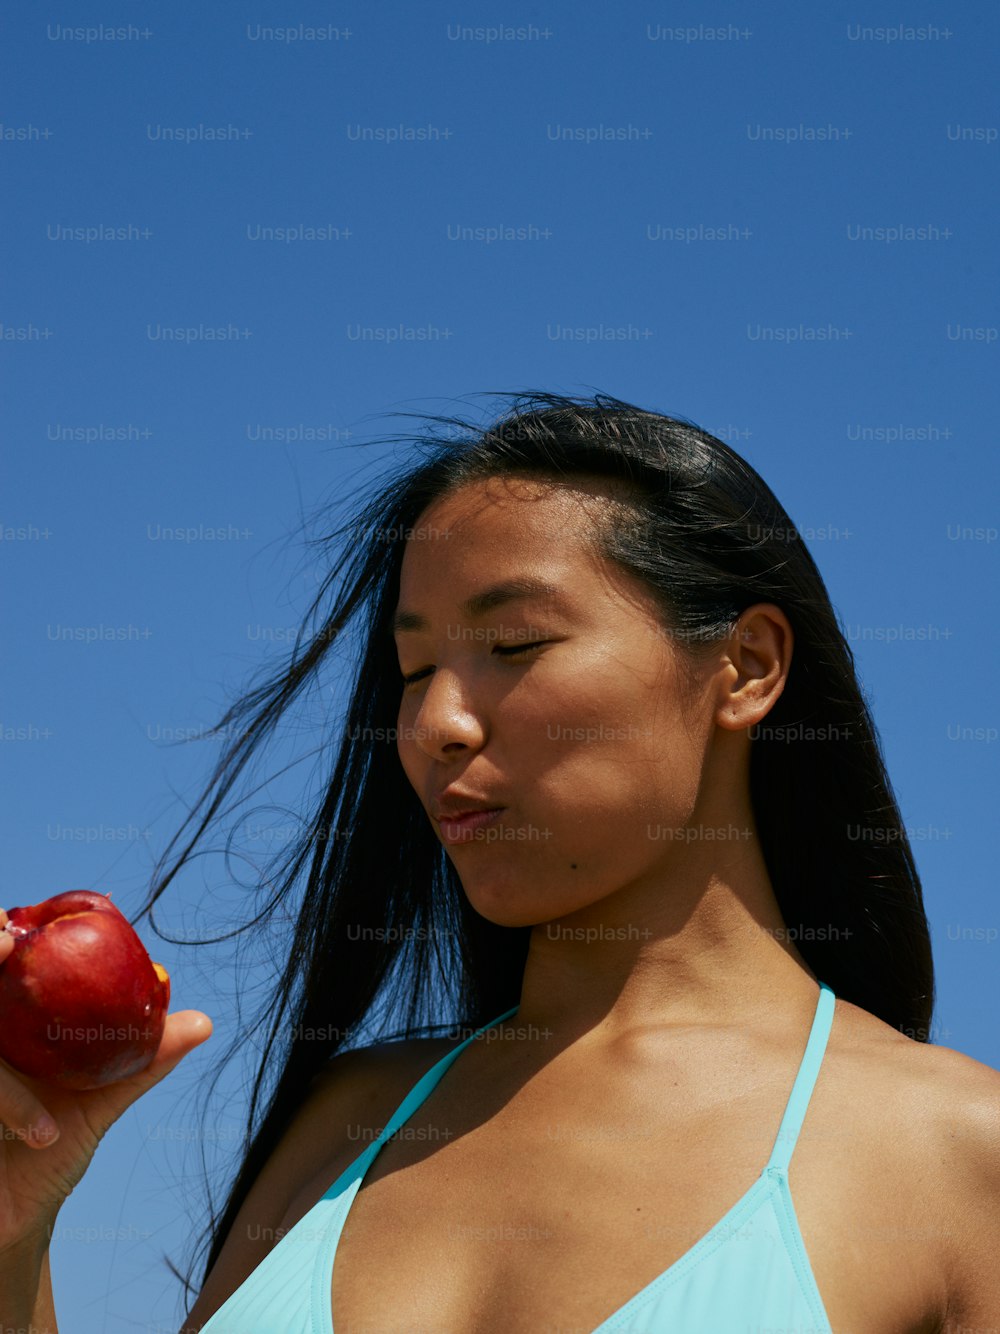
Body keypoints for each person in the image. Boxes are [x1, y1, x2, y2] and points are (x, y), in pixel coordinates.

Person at [2, 392, 997, 1332]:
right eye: (415, 668)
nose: (435, 723)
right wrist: (16, 1228)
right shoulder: (350, 1123)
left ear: (745, 667)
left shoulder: (956, 1151)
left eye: (515, 643)